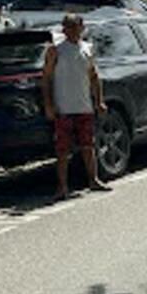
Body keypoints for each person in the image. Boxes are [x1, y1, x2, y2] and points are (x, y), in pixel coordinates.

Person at [42, 13, 110, 201]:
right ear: (63, 29)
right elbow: (46, 79)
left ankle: (93, 179)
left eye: (75, 26)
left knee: (88, 146)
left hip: (84, 106)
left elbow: (94, 76)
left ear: (82, 28)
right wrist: (48, 104)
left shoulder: (87, 49)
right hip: (63, 108)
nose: (71, 30)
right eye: (68, 26)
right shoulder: (55, 50)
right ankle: (63, 187)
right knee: (63, 151)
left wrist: (99, 101)